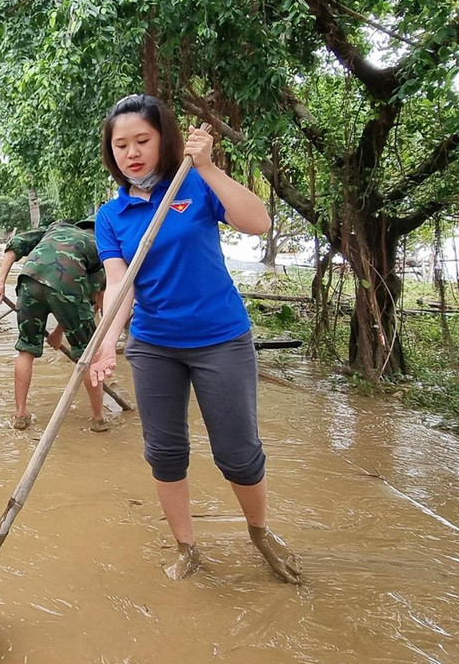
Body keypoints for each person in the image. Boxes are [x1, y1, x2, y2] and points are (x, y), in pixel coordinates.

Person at [88, 93, 302, 584]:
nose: (132, 153)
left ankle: (259, 531)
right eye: (121, 145)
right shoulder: (111, 216)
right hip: (154, 344)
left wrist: (208, 168)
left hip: (220, 339)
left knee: (238, 452)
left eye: (142, 140)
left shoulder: (195, 186)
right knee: (164, 452)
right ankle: (187, 546)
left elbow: (259, 222)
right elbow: (121, 284)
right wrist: (105, 344)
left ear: (165, 139)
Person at [0, 219, 108, 432]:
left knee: (26, 349)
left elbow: (16, 243)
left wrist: (0, 278)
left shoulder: (55, 229)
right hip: (66, 287)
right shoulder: (102, 245)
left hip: (29, 279)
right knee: (88, 353)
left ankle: (20, 414)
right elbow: (89, 298)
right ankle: (98, 419)